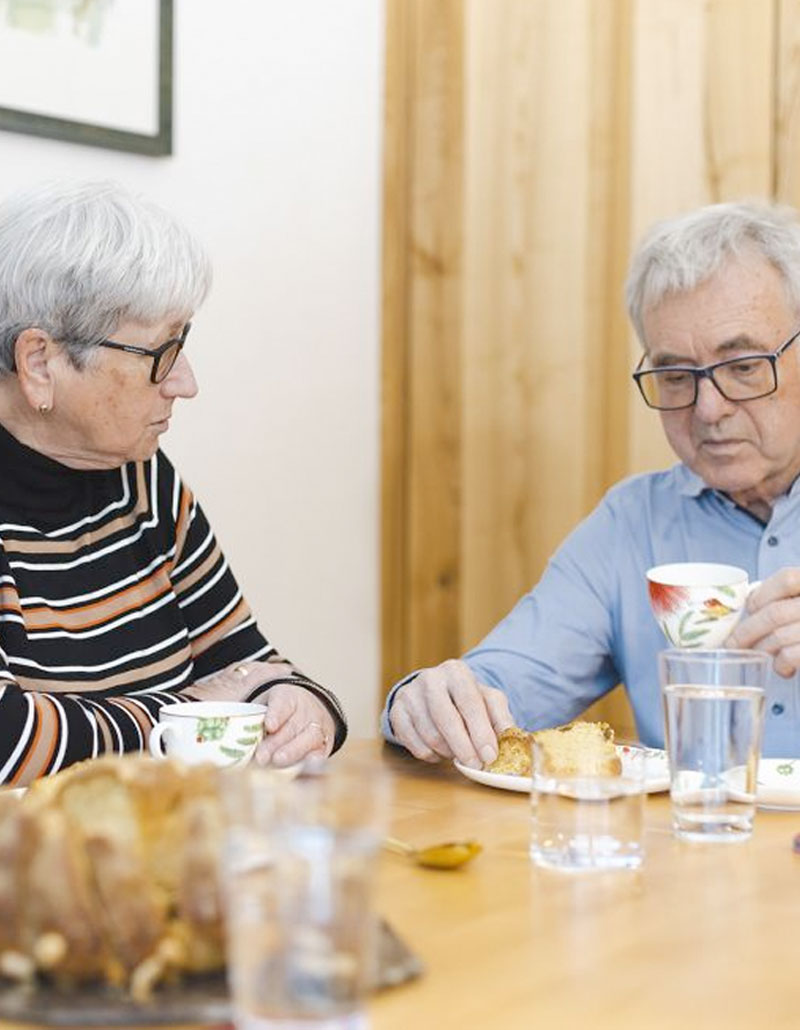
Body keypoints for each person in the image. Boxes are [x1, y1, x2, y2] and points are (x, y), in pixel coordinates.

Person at [382, 199, 800, 766]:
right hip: (697, 847)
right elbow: (506, 684)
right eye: (676, 376)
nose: (708, 408)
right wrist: (427, 704)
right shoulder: (633, 522)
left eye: (744, 366)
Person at [0, 180, 346, 785]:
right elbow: (10, 744)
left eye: (181, 345)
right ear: (39, 363)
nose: (185, 382)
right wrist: (190, 715)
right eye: (160, 353)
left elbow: (250, 667)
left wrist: (304, 705)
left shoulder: (144, 481)